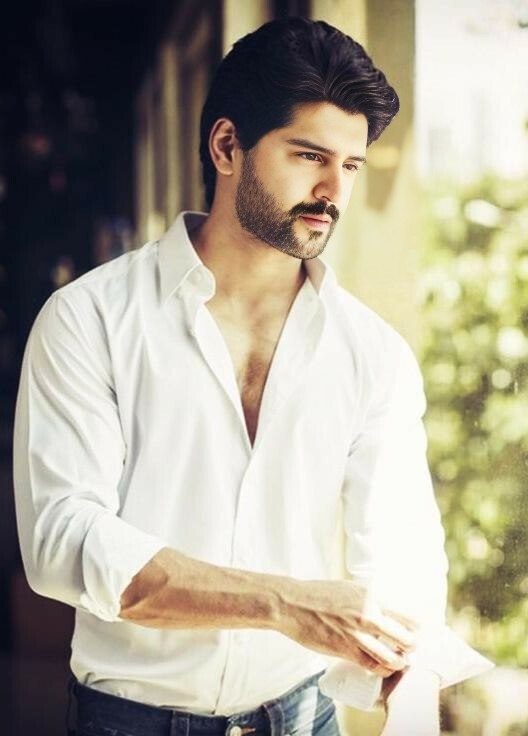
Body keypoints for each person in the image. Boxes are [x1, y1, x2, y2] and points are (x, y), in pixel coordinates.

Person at [13, 16, 489, 736]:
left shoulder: (374, 352)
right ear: (227, 145)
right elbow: (63, 543)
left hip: (304, 717)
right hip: (131, 721)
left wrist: (413, 697)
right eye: (309, 156)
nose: (332, 190)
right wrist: (282, 603)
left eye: (351, 166)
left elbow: (401, 553)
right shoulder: (89, 319)